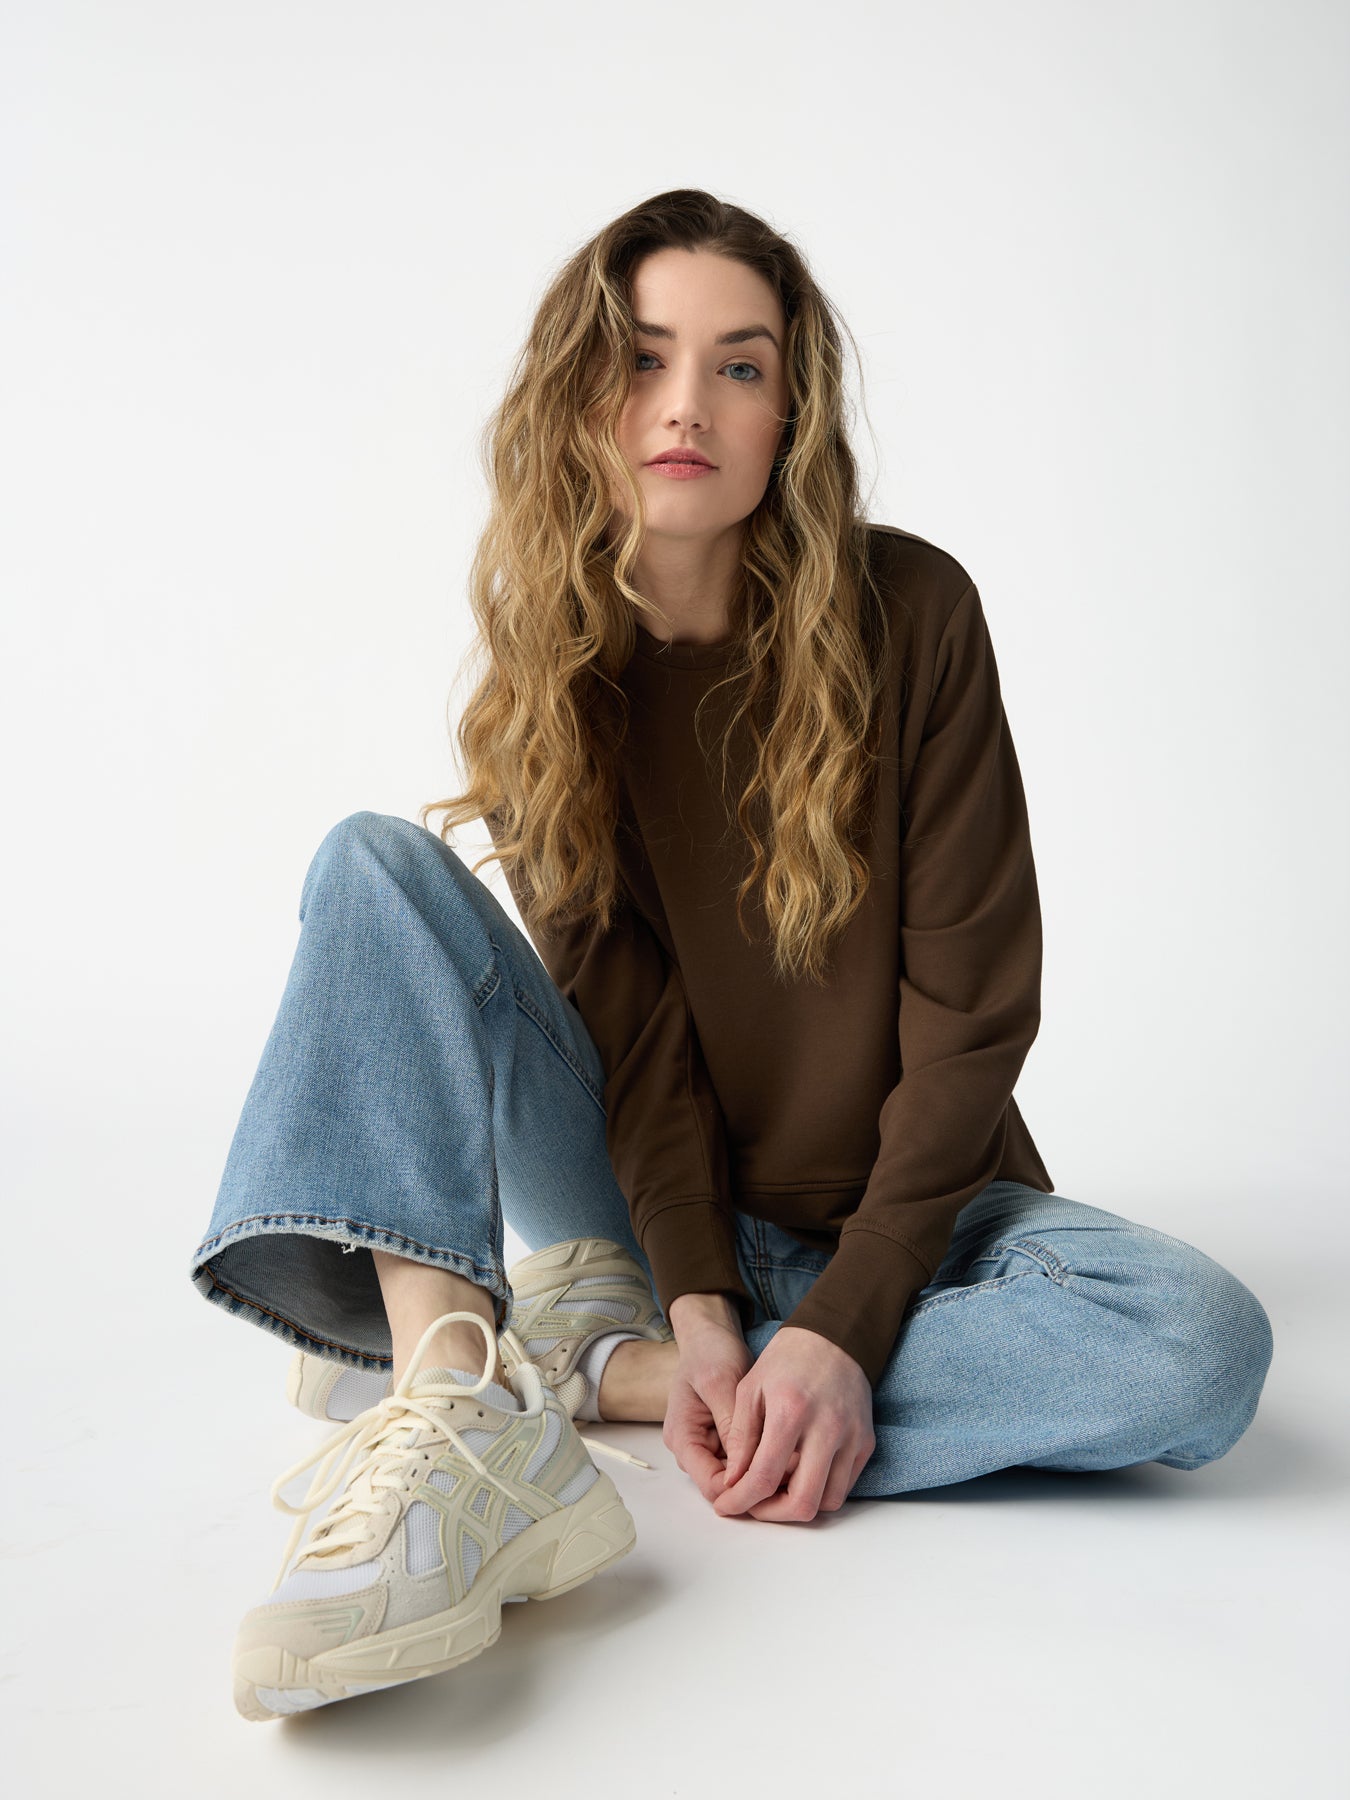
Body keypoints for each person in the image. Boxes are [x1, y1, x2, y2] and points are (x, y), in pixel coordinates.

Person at [188, 188, 1274, 1723]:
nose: (685, 404)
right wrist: (700, 1303)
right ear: (581, 399)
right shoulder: (558, 666)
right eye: (640, 359)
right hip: (641, 1202)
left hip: (905, 1206)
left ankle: (557, 1374)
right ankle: (477, 1396)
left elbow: (971, 1013)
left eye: (739, 366)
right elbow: (633, 1050)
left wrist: (841, 1325)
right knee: (373, 864)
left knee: (1198, 1347)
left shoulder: (914, 612)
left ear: (789, 414)